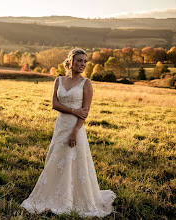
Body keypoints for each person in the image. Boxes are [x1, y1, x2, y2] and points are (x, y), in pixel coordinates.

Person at [20, 48, 116, 217]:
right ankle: (52, 194)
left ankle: (73, 198)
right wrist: (73, 110)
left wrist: (75, 132)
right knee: (56, 158)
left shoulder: (86, 83)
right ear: (71, 62)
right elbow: (54, 104)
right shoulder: (59, 80)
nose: (83, 64)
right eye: (79, 60)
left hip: (75, 128)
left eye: (85, 61)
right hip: (61, 126)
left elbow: (85, 112)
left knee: (73, 160)